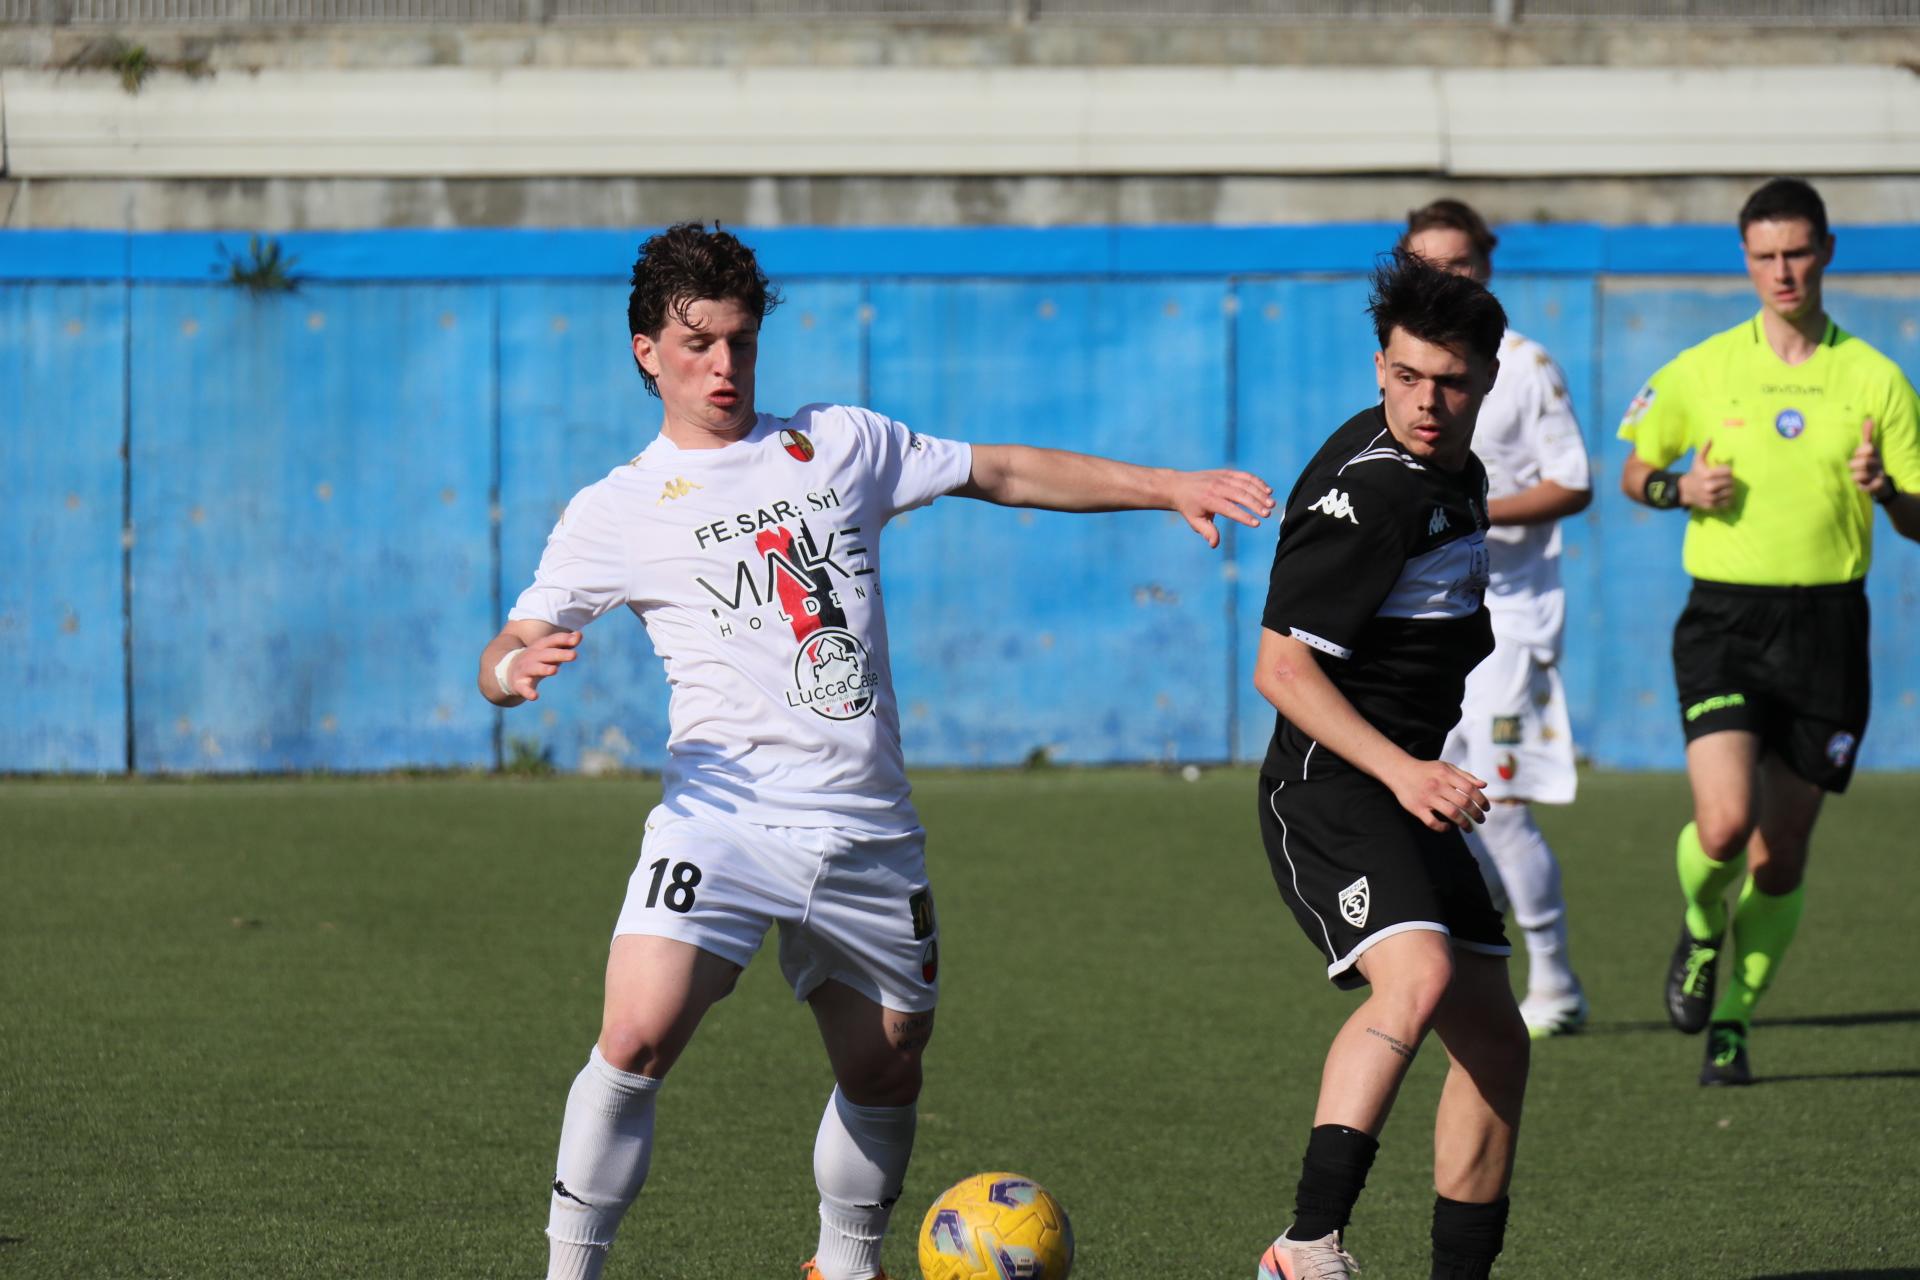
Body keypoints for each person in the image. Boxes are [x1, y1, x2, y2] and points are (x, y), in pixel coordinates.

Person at [477, 222, 1275, 1280]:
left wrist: (1166, 484)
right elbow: (511, 639)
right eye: (699, 344)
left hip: (865, 826)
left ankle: (846, 1265)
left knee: (887, 1066)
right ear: (646, 351)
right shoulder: (616, 508)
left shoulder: (837, 441)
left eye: (741, 341)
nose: (723, 365)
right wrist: (512, 672)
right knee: (635, 1033)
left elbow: (1002, 470)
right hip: (721, 818)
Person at [1253, 250, 1529, 1280]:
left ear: (1487, 377)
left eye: (1449, 381)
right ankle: (1305, 1245)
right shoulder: (1372, 492)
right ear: (1379, 367)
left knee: (1495, 1042)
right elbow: (1280, 668)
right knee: (1417, 975)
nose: (1426, 401)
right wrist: (1408, 772)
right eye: (1406, 376)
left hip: (1405, 783)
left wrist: (1416, 770)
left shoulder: (1456, 473)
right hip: (1331, 783)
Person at [1618, 177, 1920, 1086]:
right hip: (1726, 619)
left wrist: (1886, 492)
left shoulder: (1876, 378)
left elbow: (1919, 516)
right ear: (1746, 262)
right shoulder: (1703, 367)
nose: (1783, 271)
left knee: (1779, 857)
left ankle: (1734, 1023)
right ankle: (1701, 927)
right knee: (1723, 826)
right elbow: (1635, 471)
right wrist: (1679, 488)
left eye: (1797, 252)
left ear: (1826, 252)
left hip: (1829, 625)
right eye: (1765, 256)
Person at [1406, 199, 1595, 1039]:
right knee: (1440, 803)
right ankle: (1471, 958)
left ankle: (1555, 983)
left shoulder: (1522, 364)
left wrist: (1474, 512)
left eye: (1460, 265)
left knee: (1501, 802)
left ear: (1486, 269)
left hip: (1511, 617)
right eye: (1426, 267)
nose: (1444, 280)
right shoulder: (1406, 370)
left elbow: (1574, 481)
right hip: (1430, 618)